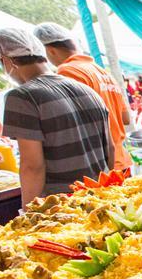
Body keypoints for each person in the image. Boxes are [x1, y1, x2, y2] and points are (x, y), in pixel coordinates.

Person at [0, 28, 111, 207]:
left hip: (61, 208)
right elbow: (110, 150)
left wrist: (28, 211)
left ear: (7, 60)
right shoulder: (87, 90)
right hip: (101, 199)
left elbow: (32, 166)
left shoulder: (22, 97)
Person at [33, 22, 132, 171]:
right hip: (120, 160)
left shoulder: (67, 71)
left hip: (99, 164)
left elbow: (70, 123)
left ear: (49, 50)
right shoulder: (102, 72)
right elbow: (125, 118)